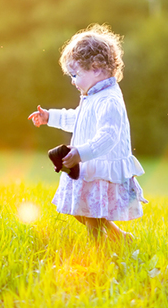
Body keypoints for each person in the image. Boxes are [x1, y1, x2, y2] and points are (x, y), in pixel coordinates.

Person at [28, 24, 147, 241]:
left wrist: (81, 153)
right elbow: (80, 120)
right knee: (79, 211)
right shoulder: (93, 96)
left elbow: (108, 137)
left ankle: (100, 253)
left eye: (74, 74)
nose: (72, 81)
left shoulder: (109, 99)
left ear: (96, 67)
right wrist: (50, 117)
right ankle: (120, 237)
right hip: (90, 165)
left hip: (100, 167)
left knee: (90, 215)